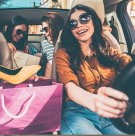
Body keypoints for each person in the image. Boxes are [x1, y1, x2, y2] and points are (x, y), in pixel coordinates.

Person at [55, 4, 132, 134]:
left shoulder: (107, 50)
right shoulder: (63, 54)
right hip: (77, 113)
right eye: (73, 23)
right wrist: (96, 102)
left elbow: (128, 64)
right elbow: (69, 87)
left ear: (94, 22)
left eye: (84, 18)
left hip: (108, 115)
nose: (79, 25)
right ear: (70, 30)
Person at [40, 12, 65, 77]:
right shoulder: (45, 43)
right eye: (43, 29)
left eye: (46, 29)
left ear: (56, 27)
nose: (45, 33)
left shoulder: (68, 44)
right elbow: (44, 58)